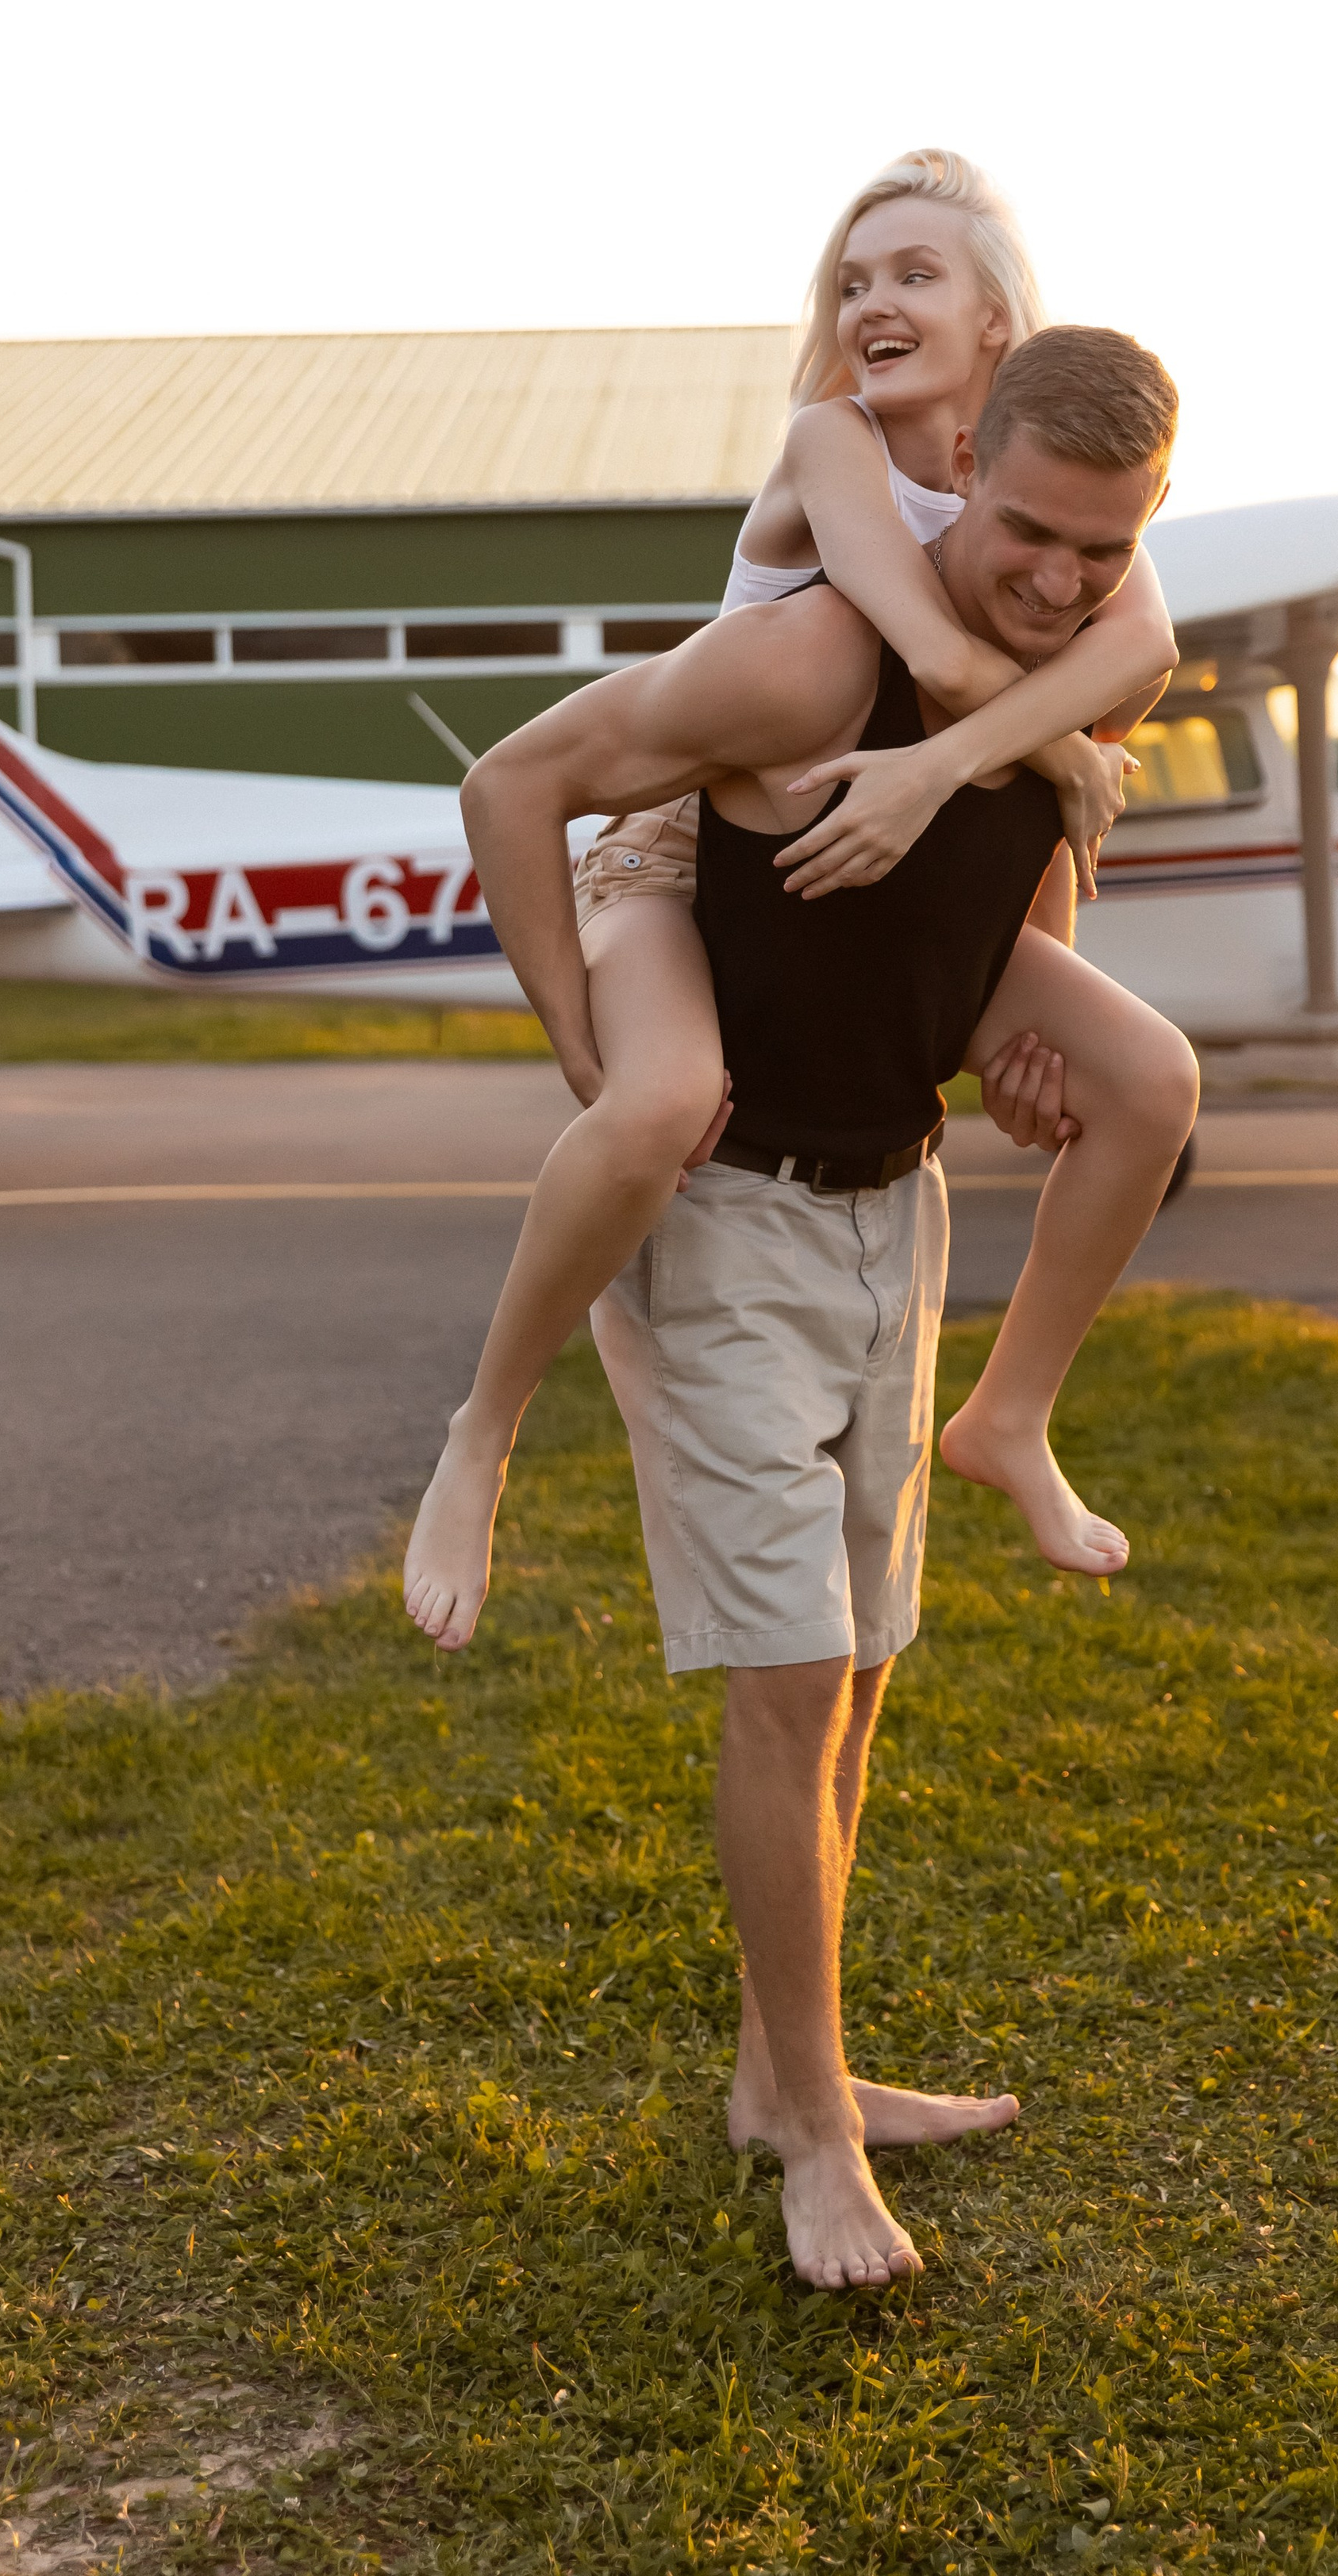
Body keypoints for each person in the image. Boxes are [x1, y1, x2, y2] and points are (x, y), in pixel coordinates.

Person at [413, 326, 1198, 2286]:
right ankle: (817, 2147)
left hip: (894, 1209)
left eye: (1096, 553)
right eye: (1018, 529)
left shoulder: (1093, 663)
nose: (1049, 576)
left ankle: (794, 2075)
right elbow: (523, 783)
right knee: (781, 1679)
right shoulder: (808, 656)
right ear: (958, 471)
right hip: (729, 1220)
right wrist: (605, 1076)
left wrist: (1019, 1029)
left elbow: (1009, 902)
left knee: (850, 1677)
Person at [400, 155, 1180, 1632]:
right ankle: (482, 1431)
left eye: (914, 274)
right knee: (652, 1104)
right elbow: (947, 671)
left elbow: (1103, 673)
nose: (872, 301)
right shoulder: (837, 443)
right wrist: (1048, 742)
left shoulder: (1064, 525)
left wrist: (1008, 987)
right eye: (852, 278)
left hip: (866, 867)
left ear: (1003, 323)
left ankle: (1011, 1416)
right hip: (675, 843)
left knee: (1151, 1077)